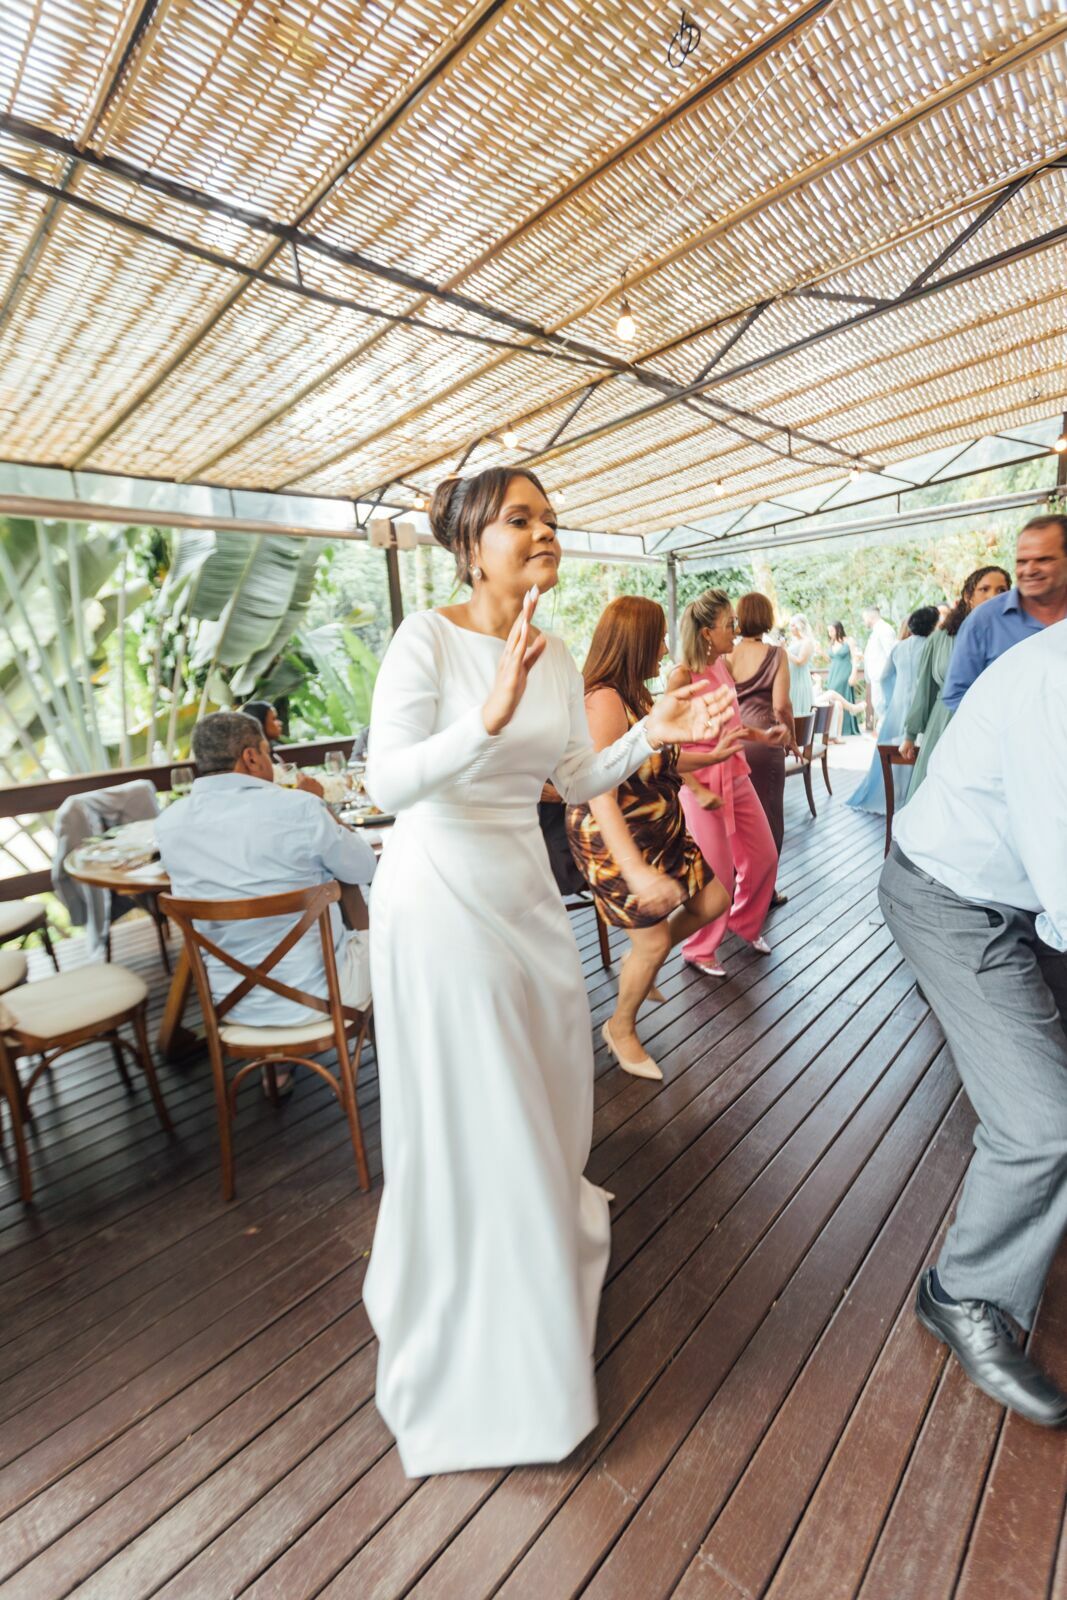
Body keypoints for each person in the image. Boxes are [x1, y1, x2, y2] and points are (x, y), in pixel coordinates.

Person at [361, 466, 732, 1478]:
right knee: (484, 1101)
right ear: (471, 542)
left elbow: (572, 777)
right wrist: (483, 714)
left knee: (554, 1086)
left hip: (526, 891)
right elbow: (384, 779)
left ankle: (534, 1250)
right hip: (440, 891)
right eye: (519, 519)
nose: (542, 532)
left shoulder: (558, 650)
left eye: (549, 518)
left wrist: (650, 735)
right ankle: (494, 1346)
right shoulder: (425, 640)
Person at [879, 621, 1067, 1428]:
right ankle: (961, 1293)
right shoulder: (1051, 683)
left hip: (1022, 898)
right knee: (1041, 1122)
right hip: (951, 899)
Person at [157, 711, 376, 1094]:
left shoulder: (169, 823)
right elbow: (363, 867)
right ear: (251, 758)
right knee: (393, 922)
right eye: (266, 752)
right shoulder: (300, 810)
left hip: (232, 1008)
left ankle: (274, 1066)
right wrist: (322, 808)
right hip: (328, 999)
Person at [566, 597, 733, 1079]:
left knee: (714, 899)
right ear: (635, 642)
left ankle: (642, 959)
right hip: (615, 833)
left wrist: (713, 756)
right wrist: (636, 871)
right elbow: (600, 791)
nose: (664, 647)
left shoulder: (638, 693)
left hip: (658, 824)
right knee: (655, 939)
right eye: (658, 637)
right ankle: (619, 1027)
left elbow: (660, 761)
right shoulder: (603, 699)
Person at [668, 590, 779, 977]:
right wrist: (697, 791)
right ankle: (698, 948)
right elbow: (666, 743)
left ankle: (744, 924)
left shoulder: (722, 665)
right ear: (705, 633)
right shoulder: (681, 676)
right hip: (701, 782)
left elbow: (732, 720)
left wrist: (761, 736)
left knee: (764, 855)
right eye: (728, 623)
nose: (735, 628)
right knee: (718, 871)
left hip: (736, 772)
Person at [899, 566, 1011, 797]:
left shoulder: (1017, 639)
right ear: (968, 597)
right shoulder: (940, 638)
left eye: (1002, 590)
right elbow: (925, 690)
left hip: (994, 727)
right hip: (944, 724)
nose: (993, 596)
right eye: (984, 589)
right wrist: (910, 735)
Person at [942, 516, 1067, 709]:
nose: (1030, 570)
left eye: (1043, 560)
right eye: (1022, 561)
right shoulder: (984, 621)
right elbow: (957, 696)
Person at [729, 591, 795, 903]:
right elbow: (781, 705)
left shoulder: (724, 655)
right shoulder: (776, 654)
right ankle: (764, 892)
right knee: (769, 817)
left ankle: (733, 887)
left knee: (734, 819)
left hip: (729, 742)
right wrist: (791, 737)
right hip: (765, 743)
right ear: (767, 618)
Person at [846, 607, 940, 815]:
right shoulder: (933, 646)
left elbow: (884, 675)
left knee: (894, 755)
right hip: (924, 705)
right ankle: (916, 799)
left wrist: (890, 701)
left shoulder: (899, 648)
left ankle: (893, 797)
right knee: (920, 753)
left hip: (897, 707)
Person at [239, 699, 324, 795]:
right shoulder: (254, 762)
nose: (280, 723)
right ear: (259, 722)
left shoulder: (273, 754)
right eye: (274, 719)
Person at [824, 621, 862, 736]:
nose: (830, 633)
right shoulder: (832, 643)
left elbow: (855, 658)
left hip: (845, 671)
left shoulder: (849, 641)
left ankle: (846, 728)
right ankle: (835, 730)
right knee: (833, 697)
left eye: (832, 630)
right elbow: (830, 659)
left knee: (843, 695)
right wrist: (821, 652)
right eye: (828, 631)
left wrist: (854, 673)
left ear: (838, 629)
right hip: (833, 672)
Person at [862, 605, 897, 725]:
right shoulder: (876, 631)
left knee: (883, 708)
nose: (864, 621)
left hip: (883, 678)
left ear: (871, 616)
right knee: (879, 707)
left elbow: (891, 654)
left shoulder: (884, 630)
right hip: (876, 677)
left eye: (864, 618)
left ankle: (884, 740)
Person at [785, 614, 815, 716]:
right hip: (791, 679)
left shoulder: (807, 642)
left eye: (793, 625)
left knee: (798, 709)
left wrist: (785, 651)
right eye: (790, 625)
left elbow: (800, 661)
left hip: (800, 680)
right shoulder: (794, 641)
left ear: (800, 626)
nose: (791, 628)